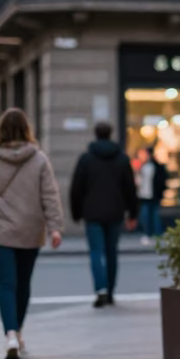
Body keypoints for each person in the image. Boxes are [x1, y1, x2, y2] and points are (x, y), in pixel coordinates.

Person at [0, 109, 64, 359]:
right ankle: (19, 331)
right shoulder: (39, 159)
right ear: (27, 130)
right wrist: (55, 227)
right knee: (23, 284)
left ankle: (10, 334)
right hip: (30, 230)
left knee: (6, 284)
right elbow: (50, 196)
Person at [69, 121, 138, 308]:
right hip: (115, 211)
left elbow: (76, 188)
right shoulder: (122, 159)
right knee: (111, 252)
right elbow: (130, 188)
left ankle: (100, 289)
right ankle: (111, 289)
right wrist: (133, 213)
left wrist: (76, 212)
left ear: (95, 134)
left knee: (95, 252)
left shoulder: (86, 159)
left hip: (92, 212)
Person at [137, 146, 167, 243]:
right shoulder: (144, 167)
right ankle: (148, 233)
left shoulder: (157, 167)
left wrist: (160, 192)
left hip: (154, 195)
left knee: (155, 215)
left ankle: (157, 234)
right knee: (146, 215)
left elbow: (162, 181)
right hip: (144, 195)